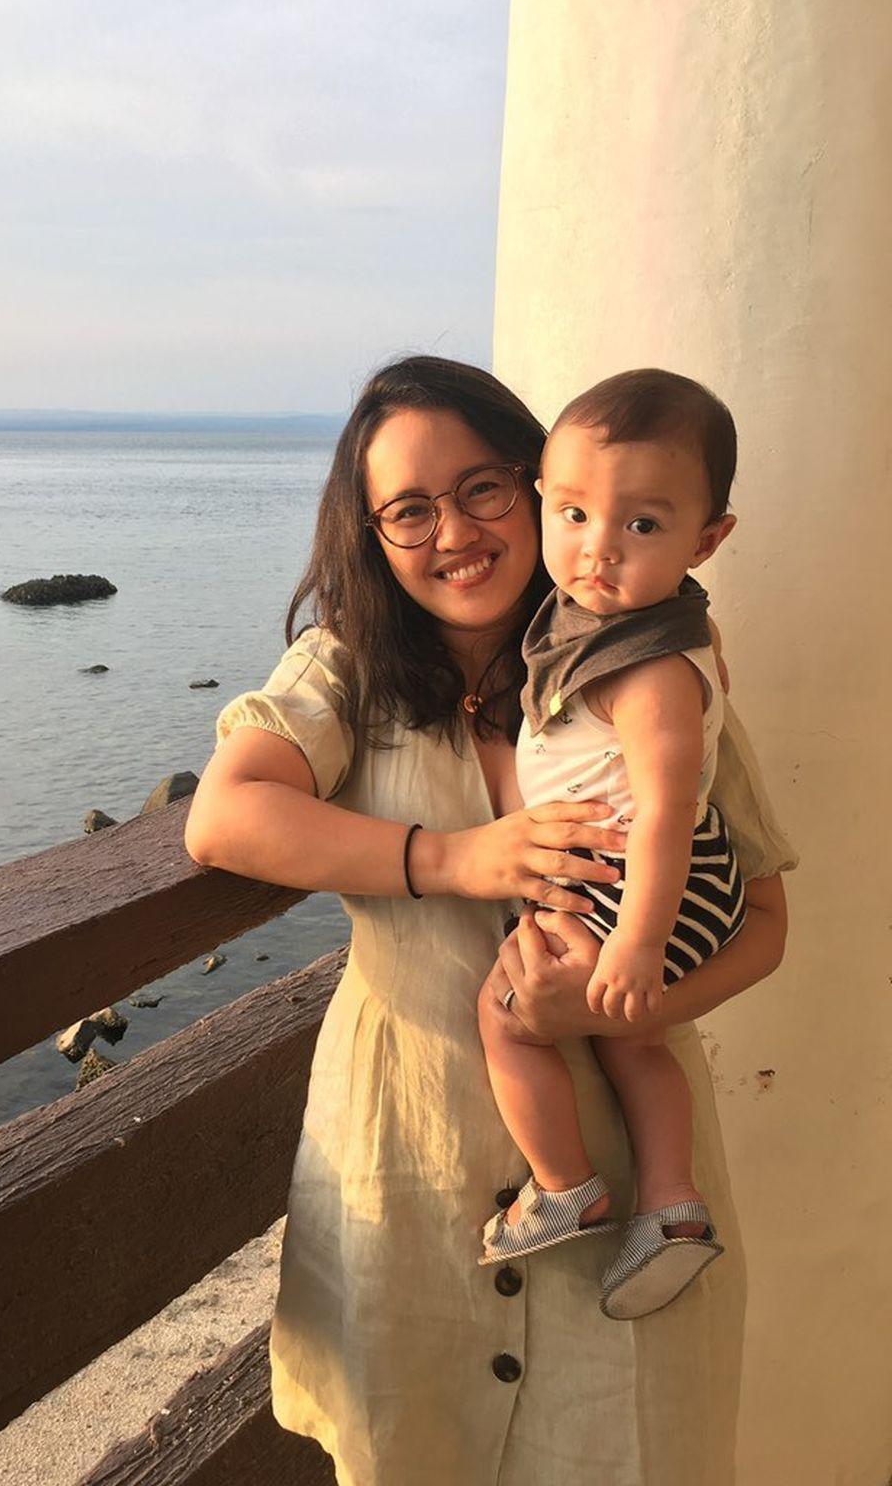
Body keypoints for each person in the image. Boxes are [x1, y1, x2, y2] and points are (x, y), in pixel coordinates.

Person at [184, 356, 794, 1486]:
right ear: (370, 532)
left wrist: (633, 996)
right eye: (409, 509)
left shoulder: (643, 664)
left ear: (534, 480)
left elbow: (762, 916)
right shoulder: (346, 670)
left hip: (635, 1192)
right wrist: (454, 858)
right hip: (408, 1165)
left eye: (482, 488)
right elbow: (223, 819)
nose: (453, 530)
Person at [479, 369, 751, 1322]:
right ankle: (672, 1206)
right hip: (641, 875)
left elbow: (669, 811)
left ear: (706, 538)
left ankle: (565, 1186)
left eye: (642, 525)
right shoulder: (596, 629)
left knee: (508, 1012)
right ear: (543, 502)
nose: (597, 550)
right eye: (575, 514)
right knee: (636, 1042)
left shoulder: (647, 667)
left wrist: (638, 944)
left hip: (649, 880)